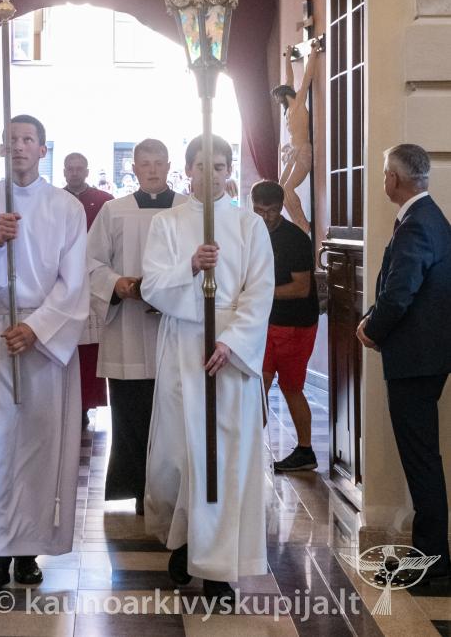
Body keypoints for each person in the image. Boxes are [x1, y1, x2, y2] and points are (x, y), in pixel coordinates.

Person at [0, 115, 88, 596]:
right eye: (12, 140)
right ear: (3, 150)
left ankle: (28, 549)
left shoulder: (66, 207)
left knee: (39, 445)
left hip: (43, 339)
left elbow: (74, 281)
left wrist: (36, 328)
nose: (20, 147)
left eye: (28, 140)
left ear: (43, 149)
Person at [142, 134, 274, 604]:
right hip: (183, 346)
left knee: (225, 460)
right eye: (201, 166)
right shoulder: (167, 223)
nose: (210, 175)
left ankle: (217, 566)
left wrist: (231, 342)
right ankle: (183, 539)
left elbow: (261, 291)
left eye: (219, 166)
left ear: (228, 171)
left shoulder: (249, 225)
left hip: (230, 355)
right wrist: (191, 266)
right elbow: (153, 286)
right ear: (188, 170)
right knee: (180, 456)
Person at [357, 143, 451, 595]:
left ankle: (433, 564)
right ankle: (432, 556)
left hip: (416, 360)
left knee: (421, 461)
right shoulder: (429, 217)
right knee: (423, 459)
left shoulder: (417, 223)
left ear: (393, 179)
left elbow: (400, 292)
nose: (383, 181)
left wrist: (372, 329)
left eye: (383, 174)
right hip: (425, 357)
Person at [88, 138, 186, 514]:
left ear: (169, 165)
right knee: (130, 413)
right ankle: (136, 486)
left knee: (173, 414)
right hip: (127, 329)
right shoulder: (114, 211)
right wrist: (117, 284)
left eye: (159, 162)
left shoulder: (188, 209)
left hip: (175, 328)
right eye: (145, 163)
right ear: (134, 169)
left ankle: (172, 489)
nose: (152, 169)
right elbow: (91, 262)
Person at [251, 179, 319, 472]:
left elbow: (301, 288)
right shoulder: (251, 232)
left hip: (295, 324)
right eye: (260, 210)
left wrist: (259, 293)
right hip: (268, 321)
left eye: (272, 211)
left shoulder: (295, 239)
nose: (266, 217)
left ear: (281, 207)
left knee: (290, 387)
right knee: (259, 384)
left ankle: (305, 450)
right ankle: (249, 450)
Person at [63, 152, 112, 425]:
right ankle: (67, 403)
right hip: (63, 284)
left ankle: (87, 404)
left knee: (92, 349)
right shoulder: (55, 199)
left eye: (79, 168)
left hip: (94, 282)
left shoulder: (105, 202)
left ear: (87, 171)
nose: (74, 173)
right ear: (64, 171)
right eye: (70, 169)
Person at [271, 40, 320, 234]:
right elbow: (289, 77)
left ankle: (303, 224)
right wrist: (289, 55)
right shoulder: (289, 110)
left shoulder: (299, 101)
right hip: (293, 151)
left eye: (277, 97)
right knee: (280, 188)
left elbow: (307, 77)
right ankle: (297, 222)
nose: (277, 101)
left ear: (283, 95)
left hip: (303, 150)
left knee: (289, 188)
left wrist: (314, 52)